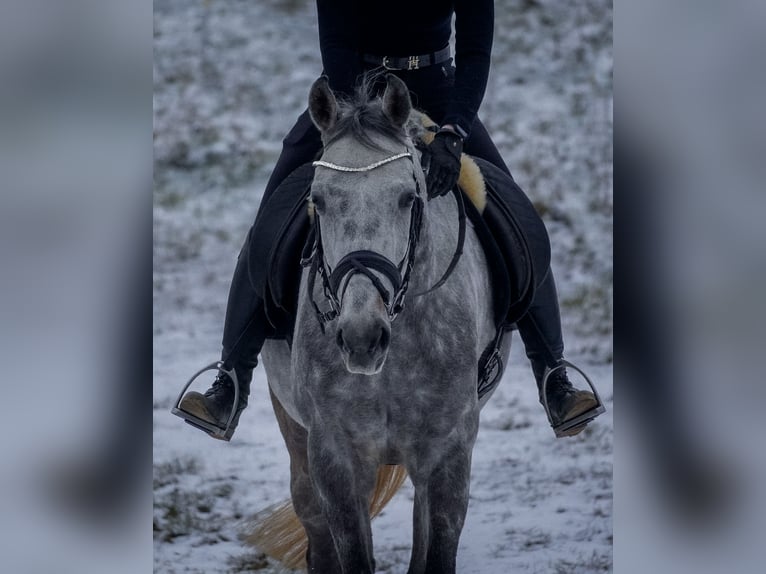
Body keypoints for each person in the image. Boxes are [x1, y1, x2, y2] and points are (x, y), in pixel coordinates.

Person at [175, 0, 603, 441]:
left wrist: (454, 131)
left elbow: (476, 51)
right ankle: (231, 380)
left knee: (515, 215)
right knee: (270, 219)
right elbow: (337, 43)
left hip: (439, 94)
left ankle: (553, 373)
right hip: (351, 94)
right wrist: (346, 126)